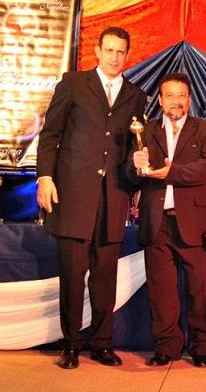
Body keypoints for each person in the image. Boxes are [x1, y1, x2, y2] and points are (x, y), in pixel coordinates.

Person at [36, 26, 146, 369]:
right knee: (72, 276)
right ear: (97, 51)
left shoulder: (136, 96)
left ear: (128, 55)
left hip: (113, 198)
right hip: (72, 198)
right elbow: (50, 135)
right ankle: (70, 345)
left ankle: (101, 344)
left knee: (104, 278)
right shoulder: (73, 83)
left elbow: (131, 151)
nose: (115, 57)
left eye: (121, 51)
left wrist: (136, 171)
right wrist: (44, 177)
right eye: (109, 50)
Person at [127, 72, 206, 367]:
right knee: (161, 290)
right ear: (160, 100)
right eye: (169, 95)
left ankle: (202, 347)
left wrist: (172, 172)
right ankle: (167, 347)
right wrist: (134, 166)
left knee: (199, 289)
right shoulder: (145, 131)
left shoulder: (205, 130)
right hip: (156, 222)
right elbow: (131, 177)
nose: (175, 101)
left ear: (189, 100)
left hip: (192, 221)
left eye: (181, 95)